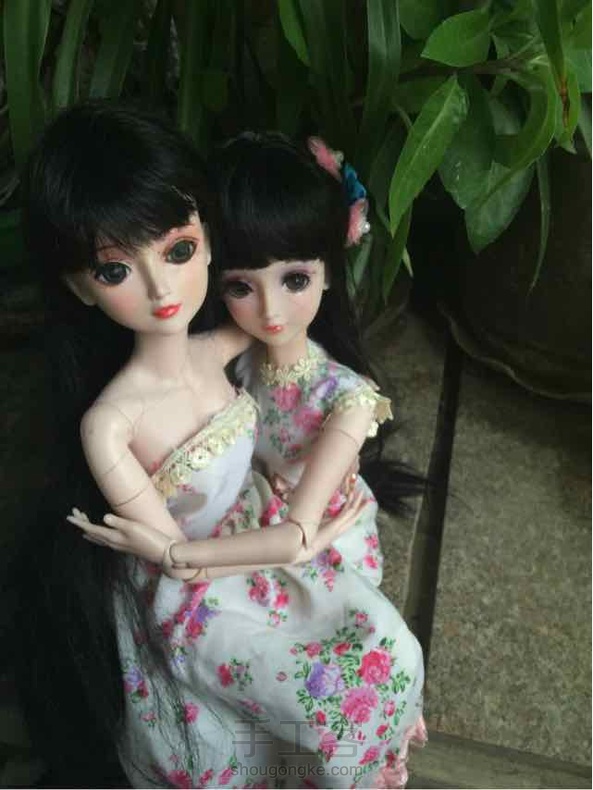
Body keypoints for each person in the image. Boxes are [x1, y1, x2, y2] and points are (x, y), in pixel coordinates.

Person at [10, 101, 362, 788]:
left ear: (207, 235)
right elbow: (181, 563)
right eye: (115, 270)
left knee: (374, 650)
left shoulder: (221, 343)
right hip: (195, 589)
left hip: (252, 532)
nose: (161, 287)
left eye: (178, 250)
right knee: (309, 700)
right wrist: (304, 540)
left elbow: (287, 335)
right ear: (80, 286)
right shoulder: (109, 424)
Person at [70, 130, 427, 788]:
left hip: (273, 533)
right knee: (279, 685)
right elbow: (183, 554)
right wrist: (174, 554)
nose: (268, 310)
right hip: (209, 565)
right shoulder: (194, 372)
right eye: (242, 286)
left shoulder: (334, 393)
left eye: (295, 280)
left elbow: (288, 533)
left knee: (378, 653)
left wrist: (288, 536)